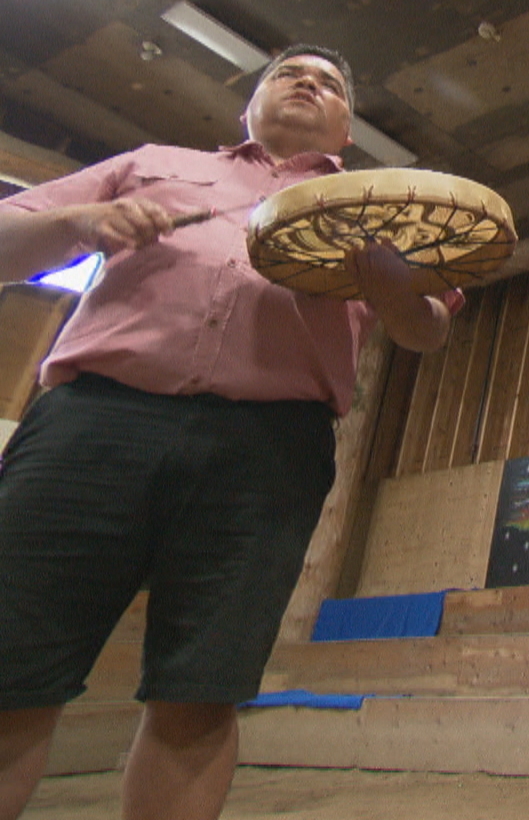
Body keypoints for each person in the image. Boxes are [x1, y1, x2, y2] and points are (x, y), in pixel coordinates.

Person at [0, 44, 458, 820]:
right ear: (248, 104)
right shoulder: (154, 160)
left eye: (331, 83)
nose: (309, 84)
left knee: (200, 696)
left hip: (268, 452)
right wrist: (84, 221)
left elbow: (428, 331)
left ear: (346, 125)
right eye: (289, 74)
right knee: (8, 672)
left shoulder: (383, 206)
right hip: (93, 425)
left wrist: (396, 293)